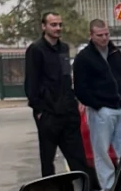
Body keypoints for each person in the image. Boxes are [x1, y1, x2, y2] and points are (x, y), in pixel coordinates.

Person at [73, 17, 121, 191]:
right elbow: (80, 88)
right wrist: (97, 105)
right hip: (101, 110)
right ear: (91, 35)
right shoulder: (84, 58)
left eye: (106, 34)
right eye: (100, 35)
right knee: (101, 151)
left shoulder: (115, 53)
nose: (104, 38)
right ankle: (108, 188)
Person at [24, 10, 84, 175]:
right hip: (48, 114)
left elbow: (66, 78)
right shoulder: (35, 50)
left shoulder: (63, 48)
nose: (58, 28)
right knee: (48, 160)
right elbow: (31, 82)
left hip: (68, 112)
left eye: (60, 24)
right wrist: (39, 110)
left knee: (77, 157)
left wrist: (74, 103)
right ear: (44, 26)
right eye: (53, 24)